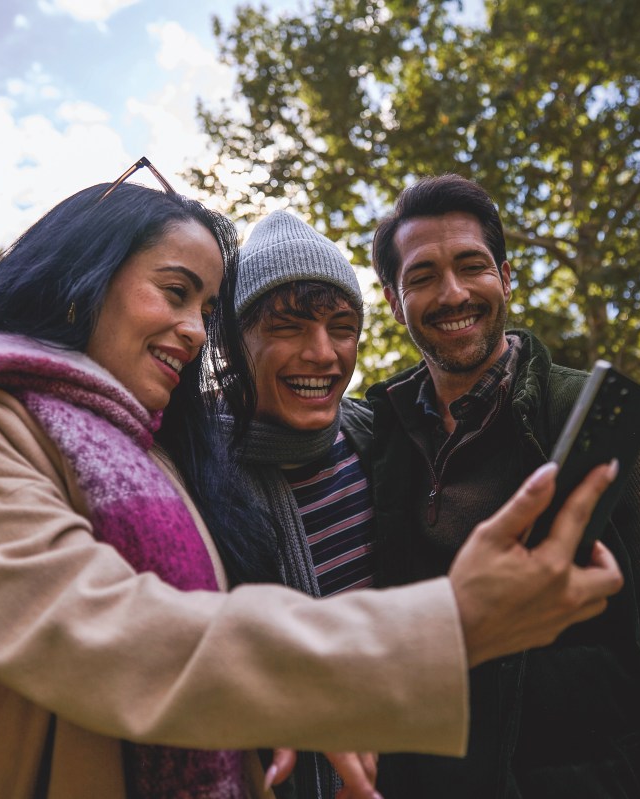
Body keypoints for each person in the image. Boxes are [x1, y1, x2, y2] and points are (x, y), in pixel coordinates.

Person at [0, 167, 626, 799]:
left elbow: (200, 637)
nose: (195, 330)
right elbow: (123, 636)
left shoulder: (150, 448)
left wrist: (287, 703)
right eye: (176, 292)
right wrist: (446, 624)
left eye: (205, 305)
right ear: (83, 280)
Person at [365, 174, 640, 798]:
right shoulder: (380, 439)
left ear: (506, 278)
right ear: (394, 300)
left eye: (471, 266)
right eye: (423, 276)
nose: (452, 292)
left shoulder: (612, 427)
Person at [231, 210, 379, 797]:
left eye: (341, 327)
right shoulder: (187, 472)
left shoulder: (383, 444)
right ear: (233, 341)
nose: (322, 353)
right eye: (288, 327)